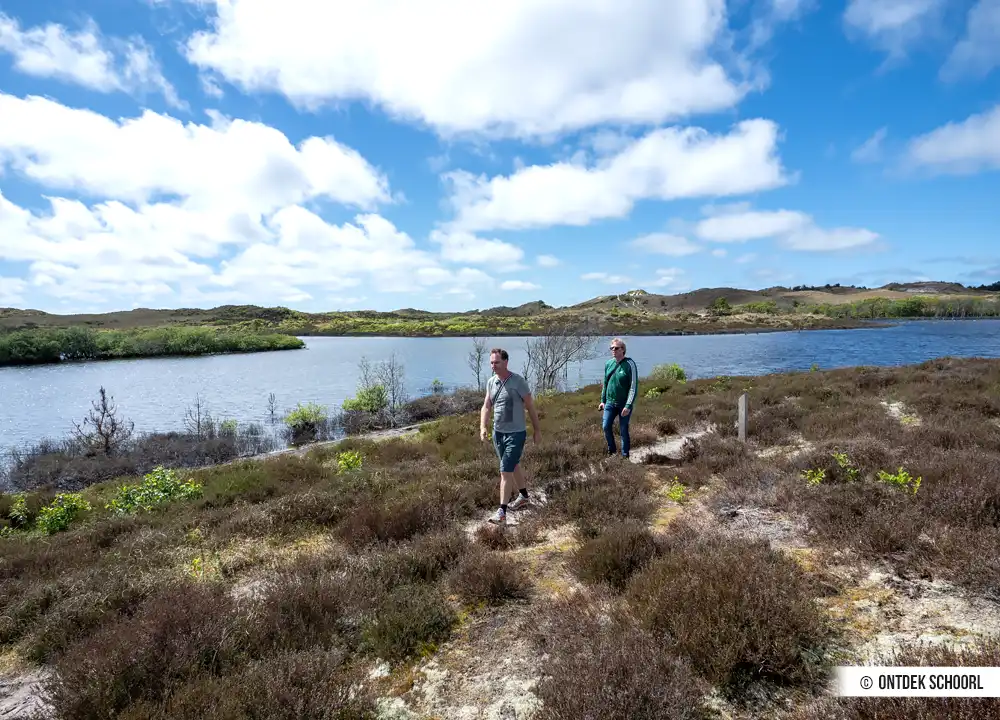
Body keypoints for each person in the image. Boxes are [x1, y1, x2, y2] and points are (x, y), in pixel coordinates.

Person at [480, 348, 541, 525]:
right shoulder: (491, 382)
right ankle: (523, 496)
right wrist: (483, 427)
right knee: (512, 465)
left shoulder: (518, 382)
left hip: (516, 433)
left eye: (496, 362)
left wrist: (537, 431)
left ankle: (502, 513)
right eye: (491, 362)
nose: (493, 366)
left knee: (505, 471)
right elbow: (486, 406)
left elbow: (530, 407)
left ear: (506, 362)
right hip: (498, 433)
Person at [598, 337, 638, 458]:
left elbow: (633, 386)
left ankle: (625, 455)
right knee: (605, 427)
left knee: (623, 430)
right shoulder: (608, 364)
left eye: (616, 348)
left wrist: (628, 405)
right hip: (610, 402)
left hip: (623, 404)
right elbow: (605, 383)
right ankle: (612, 451)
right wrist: (602, 401)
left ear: (623, 350)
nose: (613, 350)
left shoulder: (629, 364)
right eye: (612, 348)